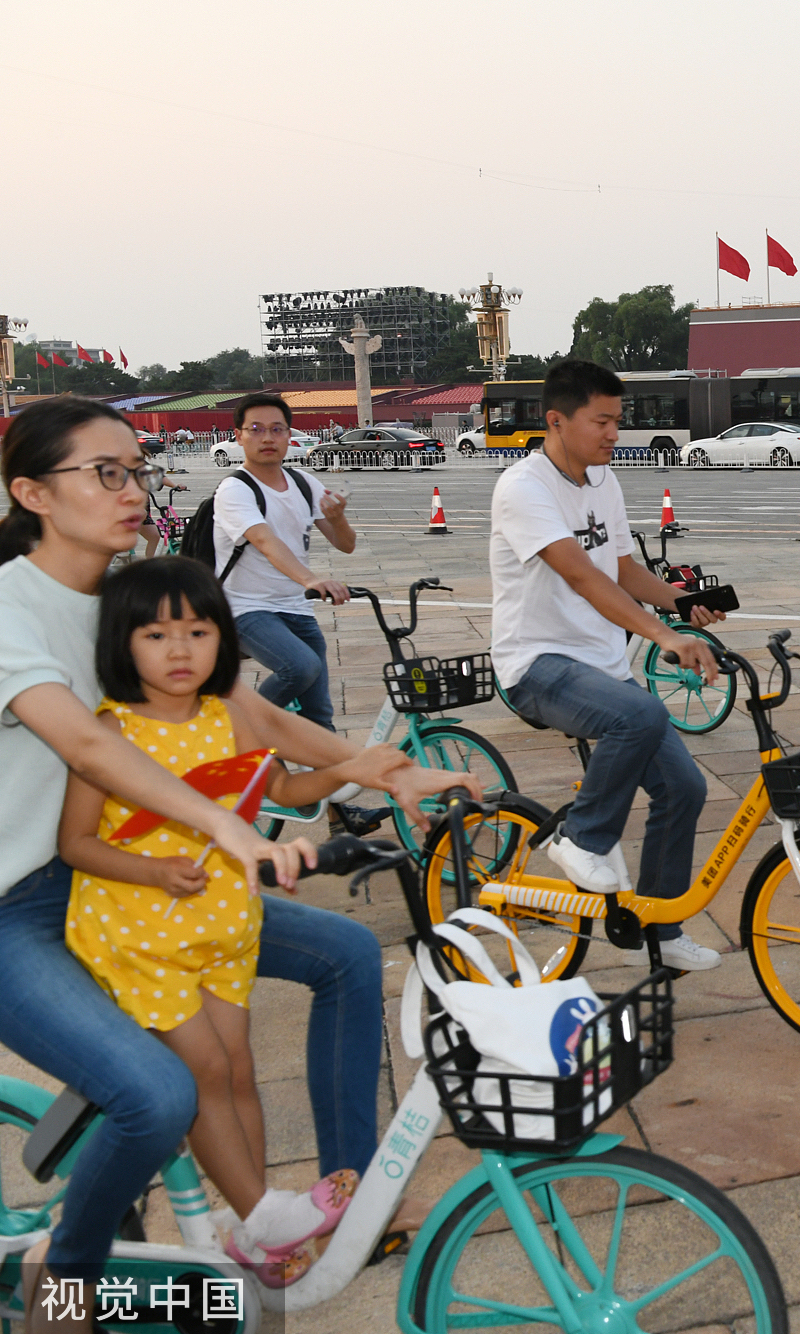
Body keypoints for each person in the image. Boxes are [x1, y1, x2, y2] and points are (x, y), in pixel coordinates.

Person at [0, 397, 459, 1327]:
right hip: (18, 902)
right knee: (158, 1094)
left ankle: (345, 1201)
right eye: (108, 473)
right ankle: (65, 1273)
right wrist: (229, 828)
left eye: (139, 470)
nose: (136, 490)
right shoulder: (10, 604)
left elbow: (253, 717)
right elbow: (89, 752)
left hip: (132, 879)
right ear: (30, 492)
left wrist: (380, 763)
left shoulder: (133, 599)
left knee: (343, 958)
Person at [58, 558, 366, 1287]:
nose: (179, 649)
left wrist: (362, 766)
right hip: (140, 938)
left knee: (238, 1071)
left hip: (224, 926)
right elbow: (78, 843)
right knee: (200, 1076)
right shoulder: (106, 731)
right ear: (120, 643)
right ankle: (264, 1215)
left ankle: (257, 1222)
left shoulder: (226, 717)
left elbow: (282, 785)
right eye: (156, 633)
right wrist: (155, 871)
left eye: (198, 631)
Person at [489, 359, 726, 970]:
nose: (613, 434)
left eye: (618, 421)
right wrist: (662, 637)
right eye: (601, 421)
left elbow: (621, 568)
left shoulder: (604, 481)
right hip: (536, 663)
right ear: (557, 421)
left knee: (685, 788)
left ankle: (662, 931)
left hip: (599, 666)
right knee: (640, 715)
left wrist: (682, 604)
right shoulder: (524, 487)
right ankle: (581, 837)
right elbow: (579, 573)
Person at [212, 392, 383, 835]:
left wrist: (339, 516)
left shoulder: (304, 482)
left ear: (290, 436)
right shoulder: (235, 490)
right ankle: (237, 733)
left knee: (320, 715)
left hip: (292, 609)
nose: (267, 438)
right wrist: (309, 579)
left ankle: (338, 817)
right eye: (256, 429)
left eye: (277, 429)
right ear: (238, 436)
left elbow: (345, 543)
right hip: (242, 608)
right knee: (300, 665)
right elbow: (265, 541)